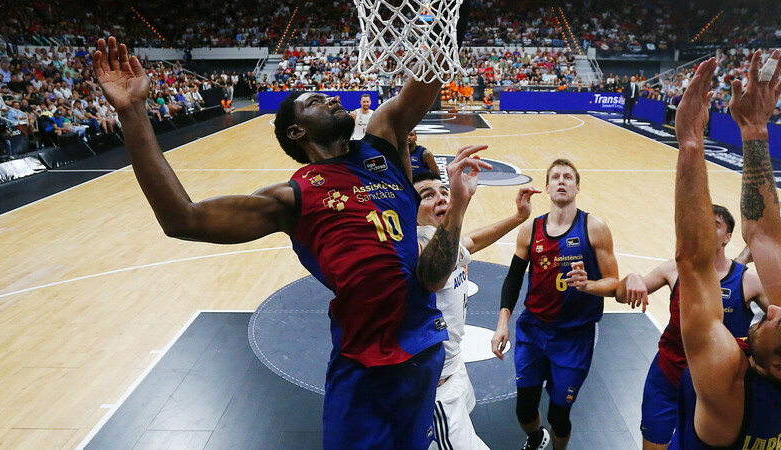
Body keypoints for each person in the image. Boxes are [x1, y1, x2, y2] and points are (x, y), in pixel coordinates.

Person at [93, 24, 480, 448]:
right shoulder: (292, 197)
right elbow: (182, 219)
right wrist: (132, 113)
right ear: (298, 132)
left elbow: (426, 77)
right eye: (315, 101)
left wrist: (444, 25)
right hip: (363, 362)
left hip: (423, 347)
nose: (332, 98)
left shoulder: (383, 142)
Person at [668, 53, 781, 450]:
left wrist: (691, 143)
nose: (772, 308)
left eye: (777, 323)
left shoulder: (729, 384)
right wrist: (754, 132)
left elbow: (695, 264)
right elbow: (765, 237)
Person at [491, 159, 620, 450]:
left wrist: (588, 286)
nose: (561, 181)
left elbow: (614, 283)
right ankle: (537, 437)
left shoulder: (594, 228)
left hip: (574, 337)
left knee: (559, 416)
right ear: (547, 187)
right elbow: (512, 280)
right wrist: (502, 324)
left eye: (568, 177)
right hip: (533, 332)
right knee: (524, 411)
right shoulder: (531, 230)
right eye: (555, 177)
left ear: (577, 186)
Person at [615, 205, 767, 450]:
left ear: (728, 237)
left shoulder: (748, 281)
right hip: (668, 375)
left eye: (715, 224)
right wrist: (631, 276)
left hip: (717, 389)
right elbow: (622, 295)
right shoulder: (674, 269)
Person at [415, 171, 540, 450]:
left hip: (454, 365)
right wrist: (459, 203)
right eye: (428, 195)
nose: (440, 197)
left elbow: (470, 242)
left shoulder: (442, 242)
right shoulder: (418, 246)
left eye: (443, 192)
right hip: (437, 389)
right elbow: (428, 263)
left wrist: (518, 217)